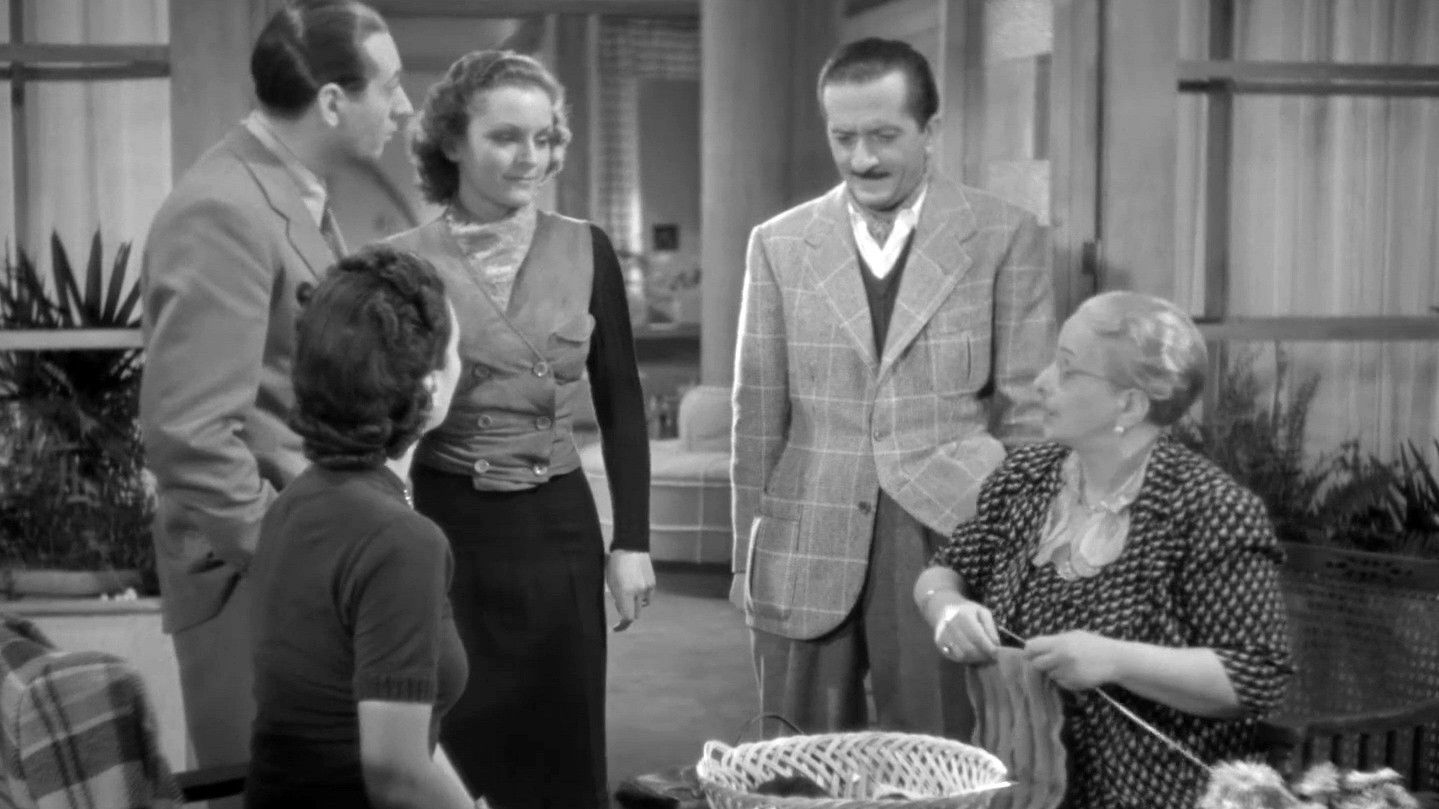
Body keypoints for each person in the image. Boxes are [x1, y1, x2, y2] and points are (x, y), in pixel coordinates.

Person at [729, 37, 1055, 738]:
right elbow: (757, 415)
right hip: (806, 530)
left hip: (946, 534)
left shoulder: (1004, 235)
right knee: (798, 760)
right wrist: (744, 559)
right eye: (842, 137)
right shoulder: (778, 243)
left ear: (930, 130)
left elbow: (1029, 417)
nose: (861, 159)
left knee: (939, 754)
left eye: (883, 136)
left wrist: (1018, 557)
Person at [138, 0, 412, 787]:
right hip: (253, 588)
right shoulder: (222, 207)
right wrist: (293, 560)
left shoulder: (291, 193)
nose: (404, 105)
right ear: (331, 101)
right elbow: (189, 434)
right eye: (389, 86)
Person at [387, 50, 653, 809]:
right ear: (451, 141)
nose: (529, 157)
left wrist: (632, 541)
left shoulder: (586, 246)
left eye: (543, 139)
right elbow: (386, 426)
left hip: (557, 525)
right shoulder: (402, 262)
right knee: (463, 741)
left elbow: (622, 400)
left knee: (565, 744)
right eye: (505, 137)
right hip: (449, 525)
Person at [915, 291, 1293, 809]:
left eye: (1067, 369)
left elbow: (1255, 676)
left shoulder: (1210, 509)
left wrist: (1114, 660)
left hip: (1154, 793)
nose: (1042, 381)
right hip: (1018, 788)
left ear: (1130, 405)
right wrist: (946, 609)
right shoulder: (1027, 478)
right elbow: (943, 572)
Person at [246, 245, 479, 809]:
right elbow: (394, 774)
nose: (463, 364)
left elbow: (409, 742)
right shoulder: (402, 542)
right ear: (429, 388)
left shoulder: (292, 504)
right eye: (456, 350)